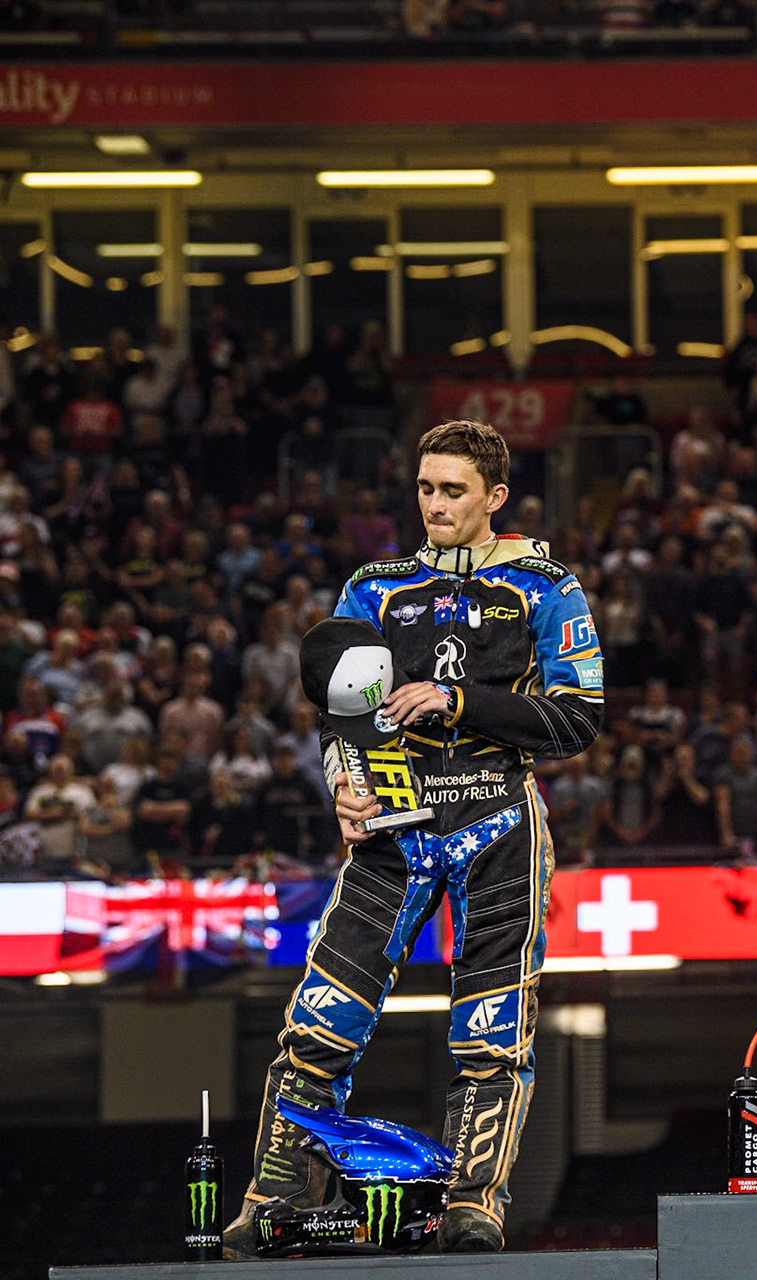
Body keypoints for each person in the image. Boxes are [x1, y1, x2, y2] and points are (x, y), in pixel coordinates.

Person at [225, 420, 604, 1256]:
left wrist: (455, 700)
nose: (434, 505)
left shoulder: (547, 588)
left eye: (453, 491)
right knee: (319, 1019)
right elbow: (339, 713)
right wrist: (343, 788)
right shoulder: (374, 589)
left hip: (500, 822)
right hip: (392, 825)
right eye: (426, 488)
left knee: (492, 1029)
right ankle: (274, 1198)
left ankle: (474, 1206)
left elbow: (579, 719)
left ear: (495, 497)